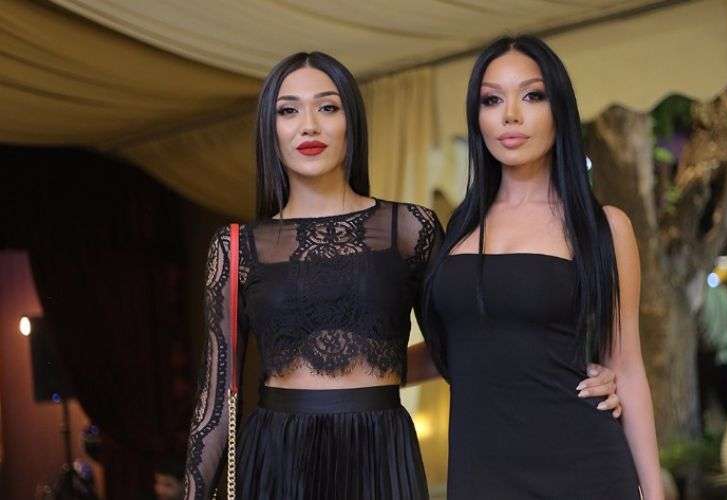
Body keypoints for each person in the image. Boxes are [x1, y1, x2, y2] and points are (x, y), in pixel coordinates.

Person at [183, 51, 622, 500]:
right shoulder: (236, 247)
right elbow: (215, 402)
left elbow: (461, 347)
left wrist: (580, 372)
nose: (309, 126)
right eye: (288, 110)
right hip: (277, 457)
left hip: (380, 449)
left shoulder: (412, 229)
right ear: (268, 128)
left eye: (328, 107)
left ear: (352, 122)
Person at [418, 35, 663, 499]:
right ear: (477, 117)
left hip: (585, 469)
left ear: (560, 110)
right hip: (481, 476)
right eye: (492, 100)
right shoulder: (458, 229)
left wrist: (654, 493)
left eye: (532, 96)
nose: (510, 115)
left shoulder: (603, 227)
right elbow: (456, 346)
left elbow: (627, 367)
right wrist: (352, 378)